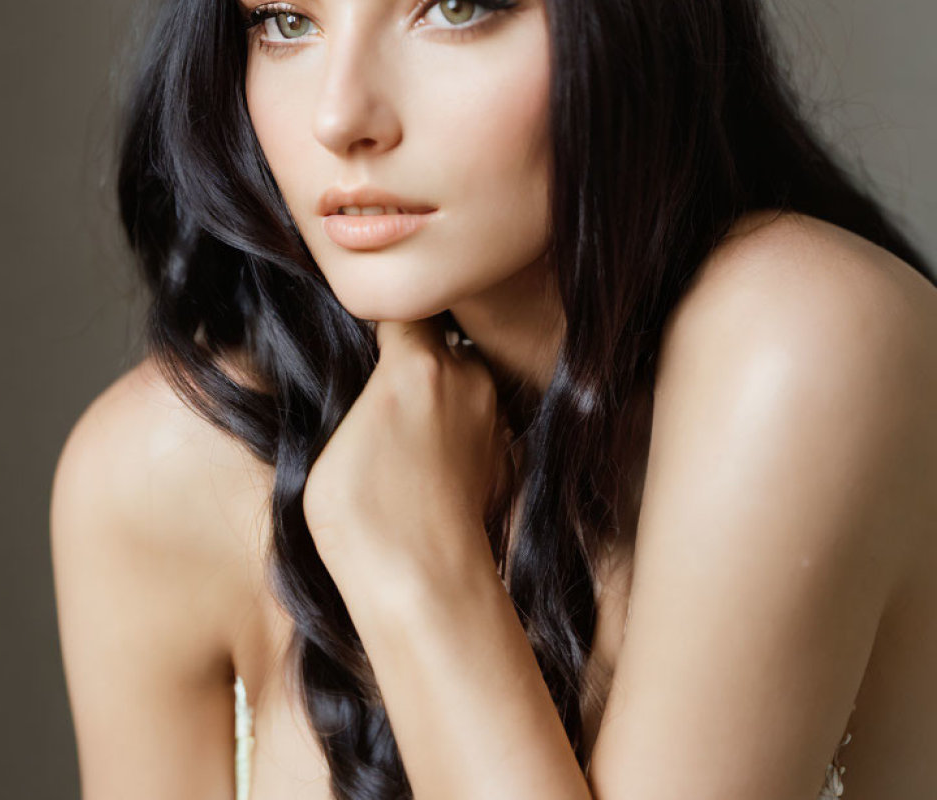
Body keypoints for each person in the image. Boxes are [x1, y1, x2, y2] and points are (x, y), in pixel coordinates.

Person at [49, 0, 937, 798]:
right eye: (286, 21)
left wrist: (411, 570)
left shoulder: (801, 341)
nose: (339, 115)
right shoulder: (161, 467)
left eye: (457, 8)